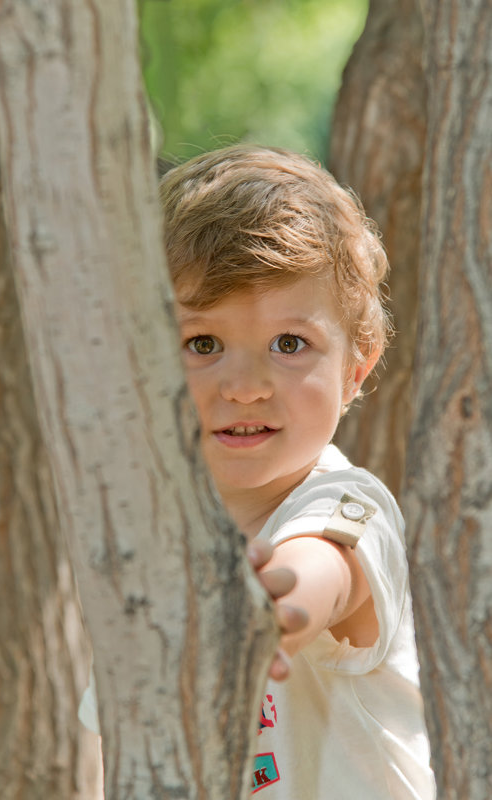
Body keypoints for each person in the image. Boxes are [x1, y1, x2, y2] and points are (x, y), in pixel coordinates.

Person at [80, 144, 435, 799]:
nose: (245, 386)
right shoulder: (144, 544)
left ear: (356, 367)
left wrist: (277, 606)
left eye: (289, 344)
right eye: (203, 344)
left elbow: (326, 568)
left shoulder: (348, 501)